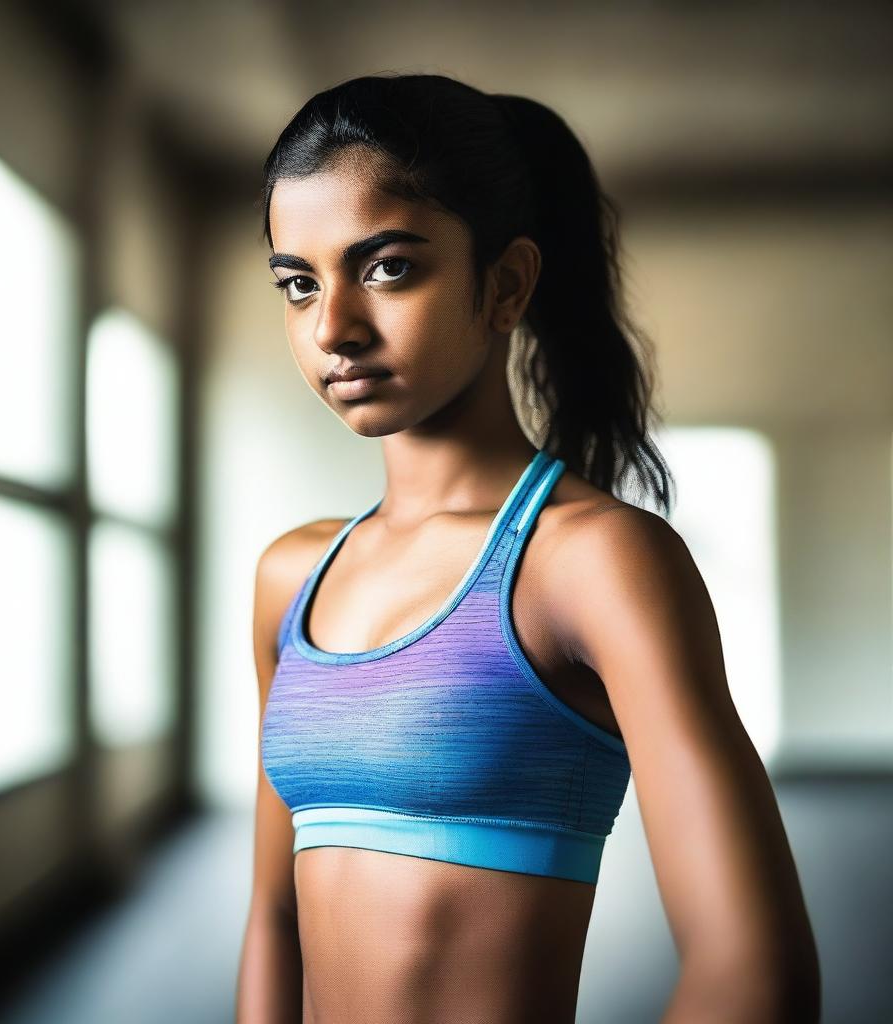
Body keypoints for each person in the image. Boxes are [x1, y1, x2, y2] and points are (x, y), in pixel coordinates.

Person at [236, 73, 820, 1024]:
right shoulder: (290, 576)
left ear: (504, 283)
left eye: (387, 268)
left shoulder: (596, 563)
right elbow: (271, 922)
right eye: (299, 283)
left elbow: (756, 976)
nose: (332, 328)